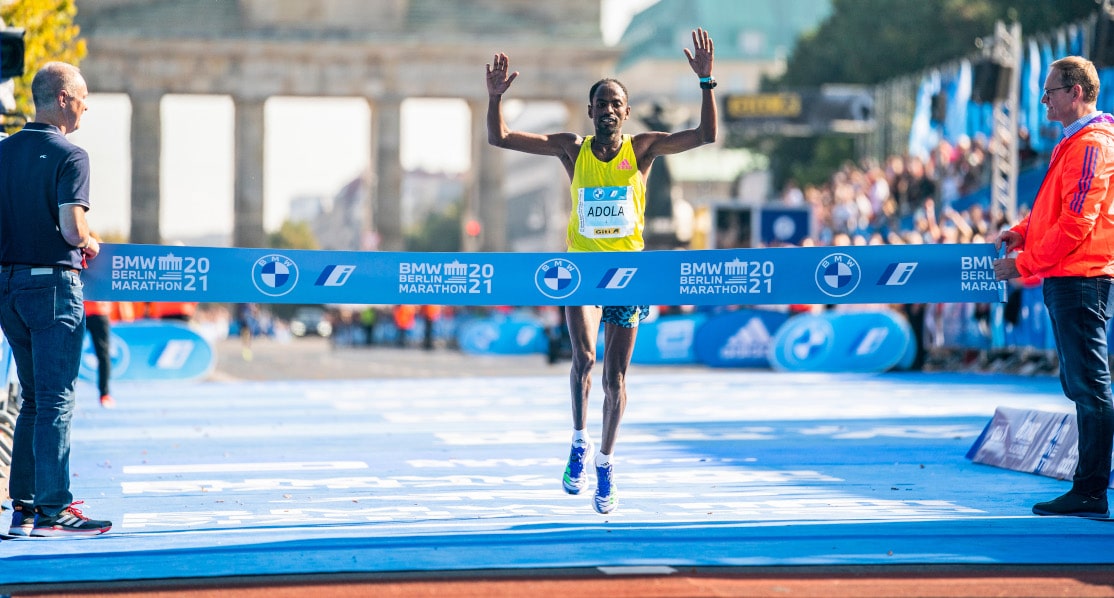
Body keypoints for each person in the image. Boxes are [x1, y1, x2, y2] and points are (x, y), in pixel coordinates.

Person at [485, 28, 717, 514]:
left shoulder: (644, 149)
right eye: (601, 103)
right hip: (582, 272)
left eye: (617, 103)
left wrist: (705, 83)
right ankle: (578, 440)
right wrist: (495, 98)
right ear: (590, 113)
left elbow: (704, 136)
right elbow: (499, 137)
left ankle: (606, 464)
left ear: (626, 113)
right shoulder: (573, 149)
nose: (609, 110)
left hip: (629, 274)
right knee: (584, 359)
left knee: (616, 378)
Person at [993, 55, 1114, 519]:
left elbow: (1076, 222)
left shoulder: (1090, 145)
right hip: (1071, 274)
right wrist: (1023, 231)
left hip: (1080, 276)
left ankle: (1090, 490)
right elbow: (1055, 211)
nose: (1043, 100)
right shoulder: (1077, 143)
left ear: (1076, 93)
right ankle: (1090, 487)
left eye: (1050, 91)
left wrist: (1024, 263)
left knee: (1090, 386)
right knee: (1082, 383)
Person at [0, 62, 112, 536]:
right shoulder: (72, 156)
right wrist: (88, 241)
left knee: (30, 398)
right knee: (56, 399)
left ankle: (23, 504)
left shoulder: (2, 153)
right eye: (84, 97)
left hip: (7, 287)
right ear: (63, 98)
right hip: (52, 288)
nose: (88, 105)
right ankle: (53, 508)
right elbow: (72, 227)